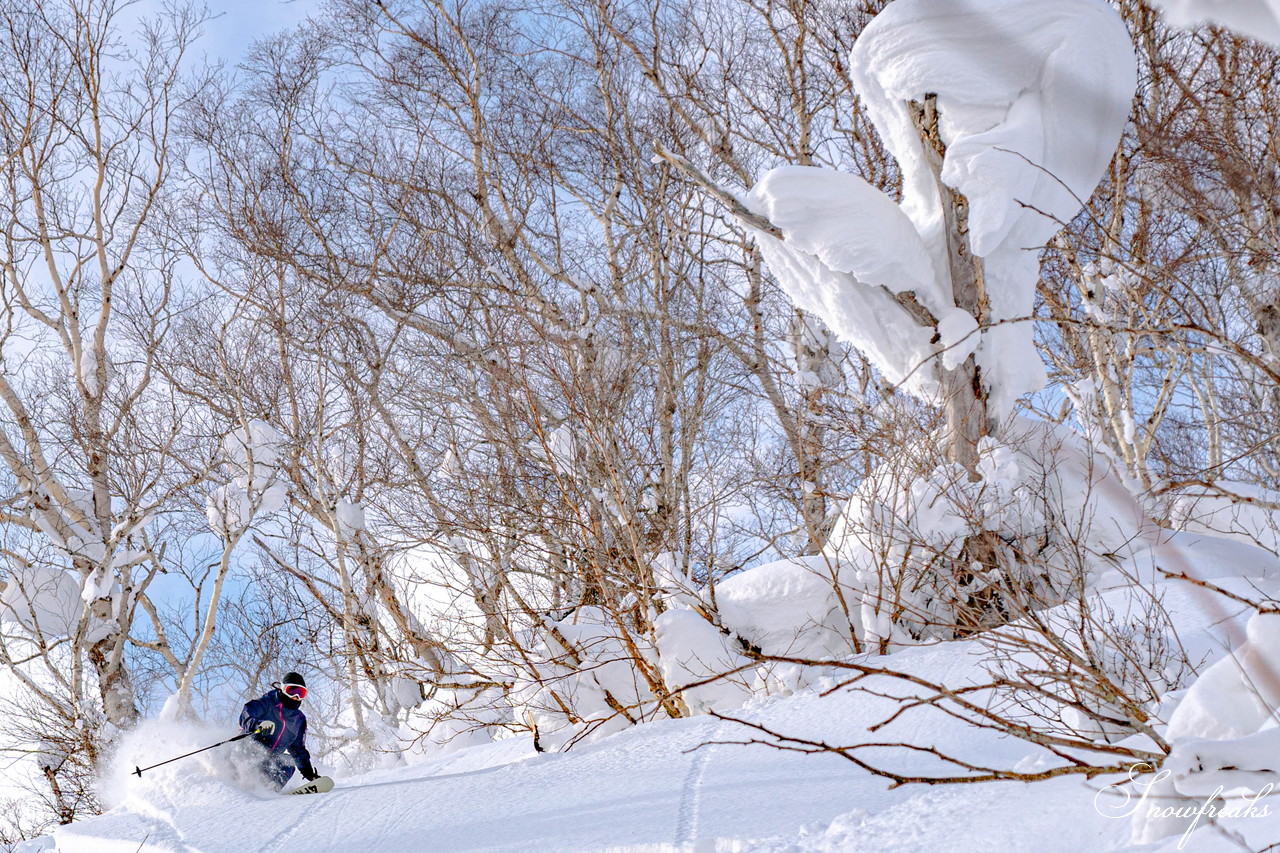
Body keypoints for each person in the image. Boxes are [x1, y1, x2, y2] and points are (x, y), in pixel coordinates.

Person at [239, 671, 320, 791]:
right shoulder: (267, 702)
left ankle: (269, 791)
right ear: (283, 689)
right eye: (292, 691)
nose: (296, 697)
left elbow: (297, 749)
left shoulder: (299, 719)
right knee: (253, 747)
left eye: (301, 693)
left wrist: (308, 772)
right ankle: (241, 783)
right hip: (248, 752)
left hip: (269, 760)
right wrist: (258, 724)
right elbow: (246, 715)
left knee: (288, 763)